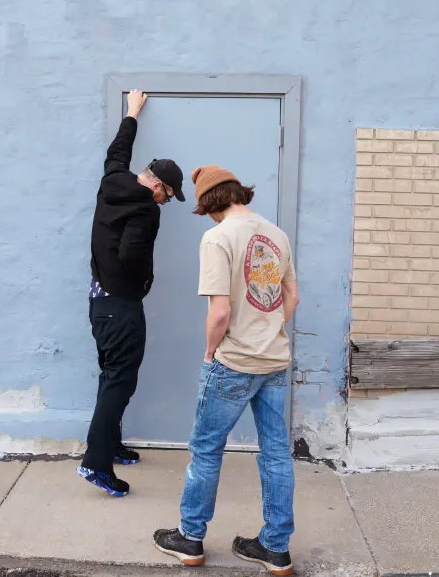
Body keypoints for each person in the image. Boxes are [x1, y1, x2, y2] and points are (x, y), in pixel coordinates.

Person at [153, 165, 299, 576]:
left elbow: (220, 311)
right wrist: (272, 330)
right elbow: (292, 297)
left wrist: (209, 351)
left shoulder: (217, 238)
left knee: (206, 449)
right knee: (274, 453)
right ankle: (274, 547)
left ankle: (190, 537)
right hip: (273, 360)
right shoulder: (276, 234)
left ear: (211, 203)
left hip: (233, 362)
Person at [78, 89, 186, 498]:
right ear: (156, 184)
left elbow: (116, 151)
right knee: (119, 382)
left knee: (113, 379)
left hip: (99, 303)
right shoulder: (146, 208)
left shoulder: (113, 179)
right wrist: (145, 281)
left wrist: (132, 113)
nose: (165, 201)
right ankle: (96, 465)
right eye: (167, 194)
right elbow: (131, 254)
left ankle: (110, 445)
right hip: (121, 306)